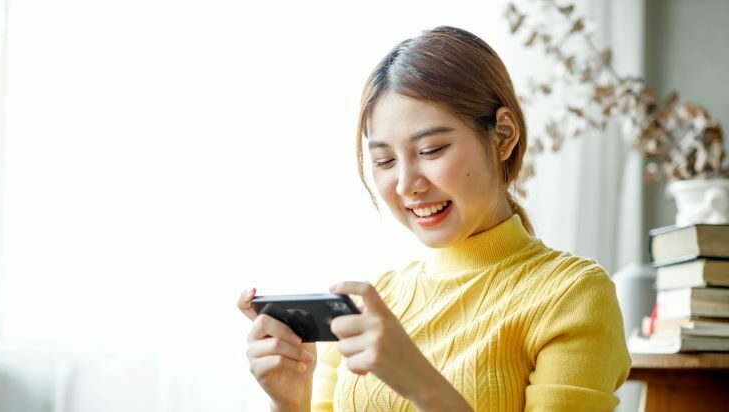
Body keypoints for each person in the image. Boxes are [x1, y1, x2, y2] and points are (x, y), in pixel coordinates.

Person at [237, 26, 631, 412]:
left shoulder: (573, 295)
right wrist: (289, 402)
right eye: (385, 161)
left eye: (431, 149)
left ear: (504, 135)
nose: (407, 184)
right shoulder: (367, 305)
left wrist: (417, 380)